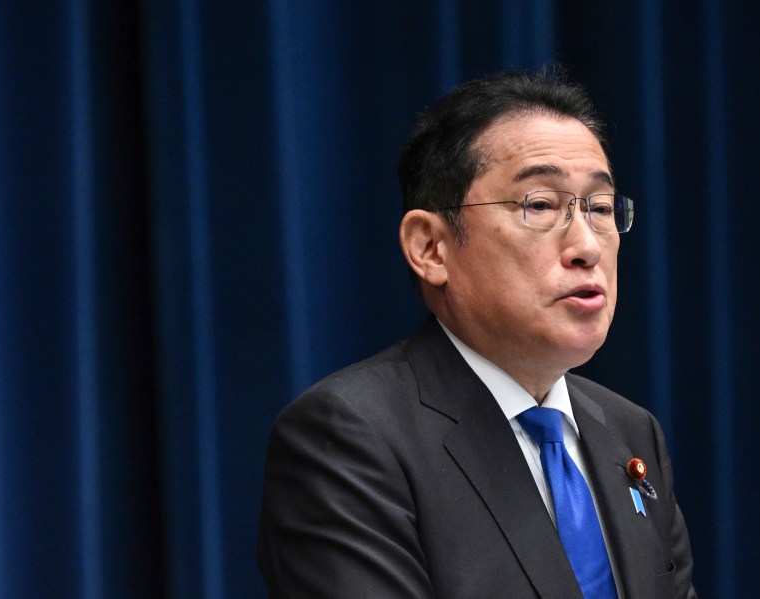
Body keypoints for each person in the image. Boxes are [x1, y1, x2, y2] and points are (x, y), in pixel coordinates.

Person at [257, 68, 697, 598]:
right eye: (541, 205)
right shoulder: (350, 436)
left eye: (600, 209)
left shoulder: (629, 432)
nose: (587, 245)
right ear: (430, 248)